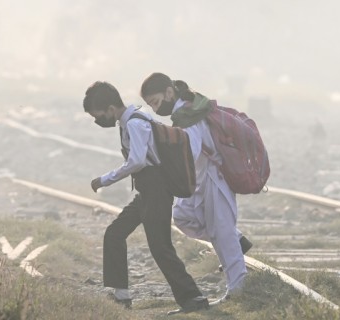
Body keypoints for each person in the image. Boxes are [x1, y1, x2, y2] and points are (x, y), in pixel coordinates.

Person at [83, 81, 208, 314]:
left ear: (110, 108)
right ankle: (121, 296)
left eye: (98, 115)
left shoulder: (134, 124)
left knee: (160, 247)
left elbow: (138, 160)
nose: (98, 121)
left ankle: (194, 298)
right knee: (115, 234)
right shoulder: (133, 118)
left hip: (156, 190)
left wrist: (105, 180)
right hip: (147, 191)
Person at [140, 72, 251, 302]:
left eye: (157, 102)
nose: (155, 108)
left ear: (169, 93)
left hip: (214, 177)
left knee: (222, 231)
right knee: (183, 216)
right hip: (201, 178)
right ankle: (237, 241)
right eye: (151, 105)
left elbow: (191, 150)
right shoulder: (185, 111)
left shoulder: (187, 115)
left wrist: (165, 163)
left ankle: (239, 289)